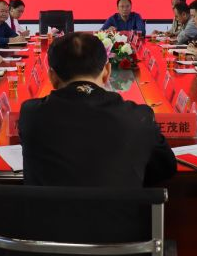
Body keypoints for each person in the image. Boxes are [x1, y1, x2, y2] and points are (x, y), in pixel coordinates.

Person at [19, 32, 176, 187]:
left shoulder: (31, 114)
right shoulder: (139, 118)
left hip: (49, 205)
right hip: (119, 204)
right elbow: (166, 168)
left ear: (52, 77)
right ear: (107, 71)